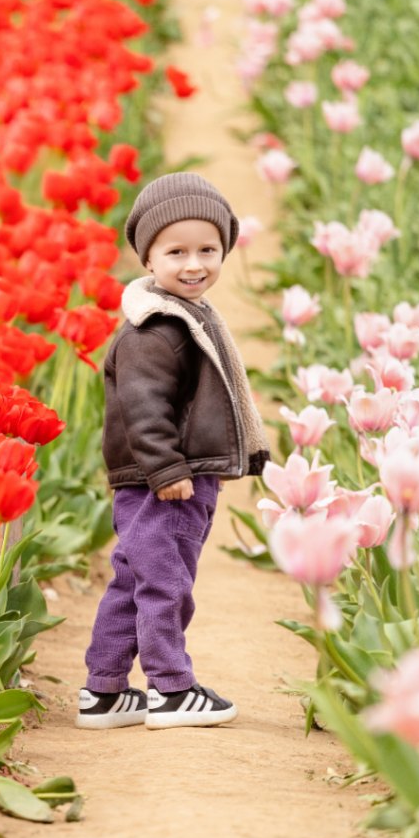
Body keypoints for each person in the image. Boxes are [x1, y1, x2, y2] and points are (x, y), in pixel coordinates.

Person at [76, 172, 270, 730]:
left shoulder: (191, 316)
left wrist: (239, 454)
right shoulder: (154, 329)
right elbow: (143, 408)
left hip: (176, 473)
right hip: (164, 481)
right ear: (147, 258)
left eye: (208, 249)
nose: (195, 264)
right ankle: (170, 688)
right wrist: (165, 469)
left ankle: (106, 691)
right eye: (176, 251)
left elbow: (215, 397)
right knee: (165, 581)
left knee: (135, 578)